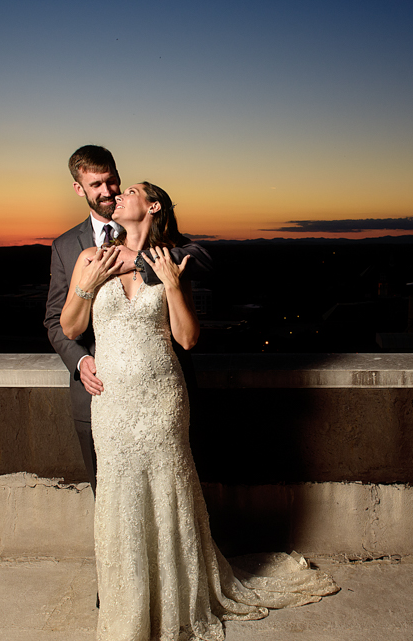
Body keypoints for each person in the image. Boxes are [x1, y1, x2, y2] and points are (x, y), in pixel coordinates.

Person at [61, 181, 337, 640]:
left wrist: (171, 285)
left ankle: (176, 600)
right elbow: (70, 327)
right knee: (119, 500)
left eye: (129, 190)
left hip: (161, 399)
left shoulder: (169, 260)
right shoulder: (91, 258)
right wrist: (86, 288)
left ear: (152, 207)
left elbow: (187, 338)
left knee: (170, 493)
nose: (119, 195)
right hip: (110, 403)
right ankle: (129, 604)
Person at [44, 145, 213, 495]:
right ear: (79, 189)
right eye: (96, 185)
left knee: (172, 491)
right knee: (110, 495)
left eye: (114, 182)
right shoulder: (71, 249)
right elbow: (57, 322)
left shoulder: (165, 251)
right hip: (103, 393)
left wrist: (139, 260)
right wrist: (80, 360)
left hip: (162, 392)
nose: (109, 192)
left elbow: (200, 260)